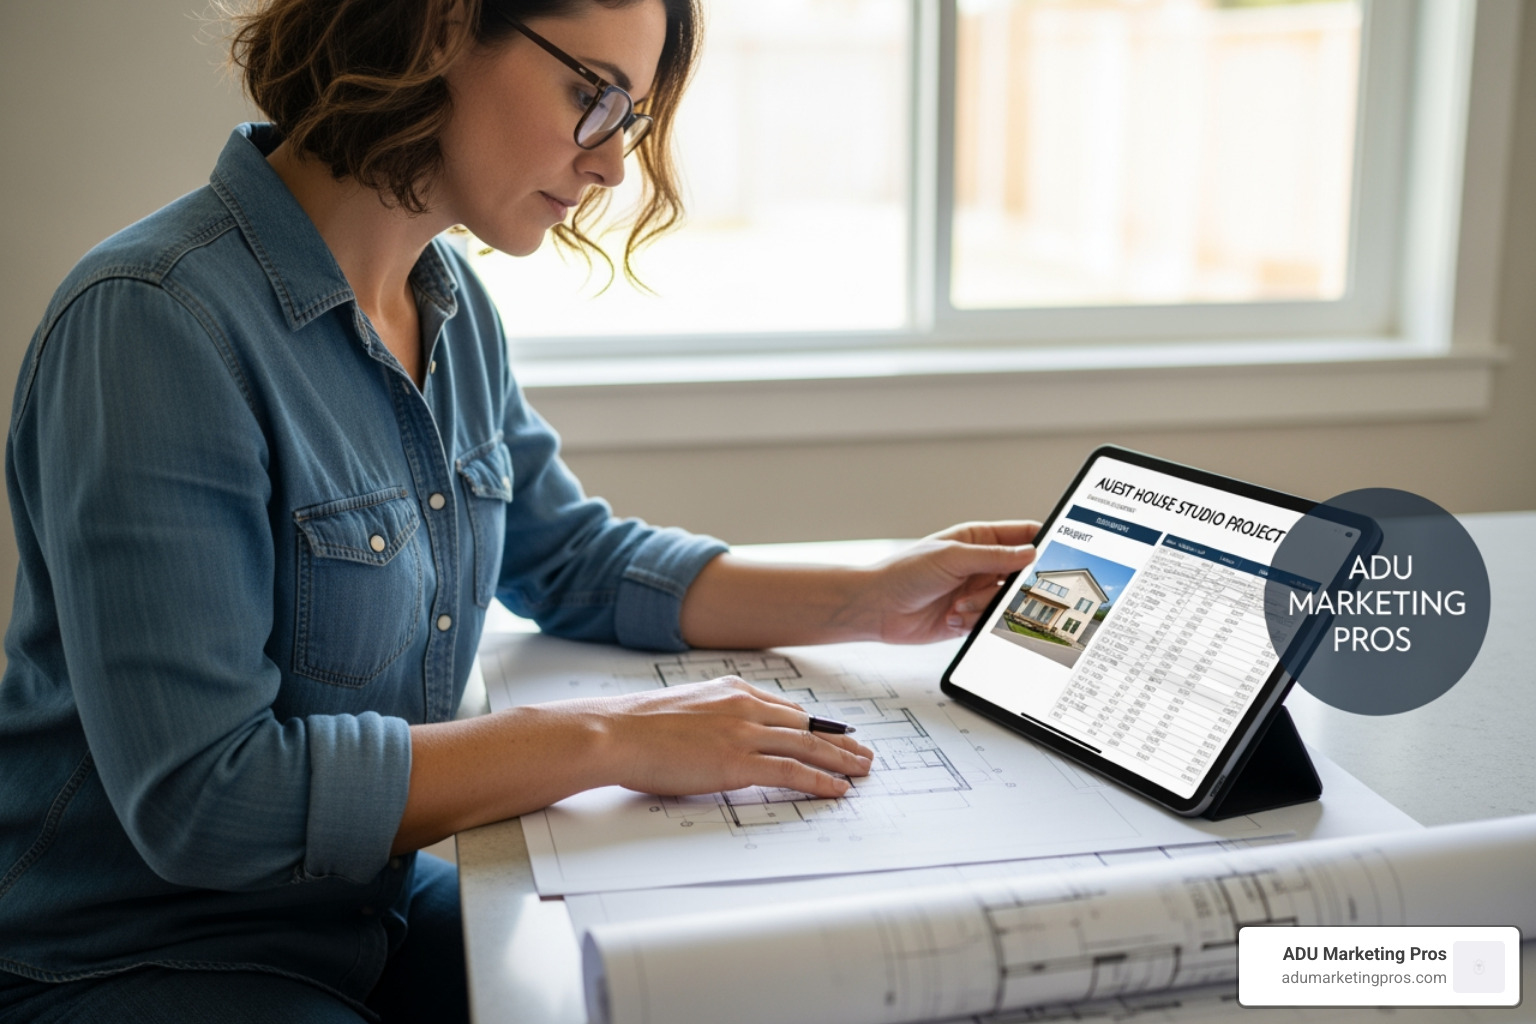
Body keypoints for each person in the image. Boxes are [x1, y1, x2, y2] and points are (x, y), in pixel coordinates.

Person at [0, 0, 1039, 1020]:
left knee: (696, 986)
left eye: (625, 116)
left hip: (363, 917)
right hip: (128, 961)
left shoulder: (446, 302)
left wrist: (875, 595)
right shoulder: (152, 324)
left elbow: (576, 560)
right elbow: (209, 797)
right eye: (593, 94)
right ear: (440, 28)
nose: (613, 163)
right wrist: (612, 738)